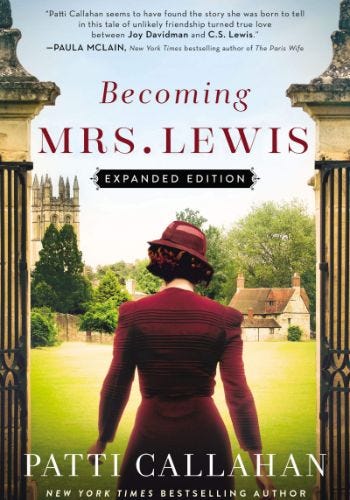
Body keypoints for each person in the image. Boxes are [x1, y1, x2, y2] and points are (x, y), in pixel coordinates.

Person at [88, 221, 274, 497]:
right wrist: (258, 462)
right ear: (199, 267)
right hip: (206, 441)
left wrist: (103, 440)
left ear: (162, 260)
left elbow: (116, 384)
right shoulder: (225, 319)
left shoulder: (132, 314)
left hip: (150, 439)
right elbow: (238, 393)